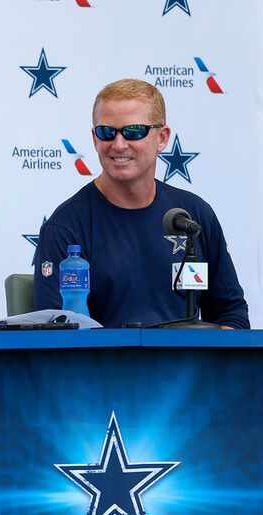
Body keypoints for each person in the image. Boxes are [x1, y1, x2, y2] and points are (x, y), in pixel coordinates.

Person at [33, 78, 249, 328]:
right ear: (94, 138)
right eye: (106, 132)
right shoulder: (66, 227)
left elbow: (231, 313)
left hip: (187, 366)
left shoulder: (193, 215)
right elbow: (53, 336)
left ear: (162, 137)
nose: (119, 144)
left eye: (134, 131)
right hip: (103, 367)